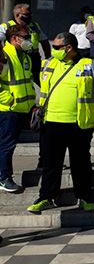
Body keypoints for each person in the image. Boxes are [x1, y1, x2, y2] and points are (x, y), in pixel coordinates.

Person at [27, 32, 94, 214]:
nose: (53, 50)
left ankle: (84, 197)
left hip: (79, 123)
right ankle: (46, 197)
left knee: (80, 163)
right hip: (51, 122)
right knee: (50, 163)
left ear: (69, 48)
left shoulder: (91, 65)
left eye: (57, 47)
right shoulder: (49, 64)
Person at [0, 25, 37, 193]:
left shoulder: (25, 58)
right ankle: (4, 177)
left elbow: (27, 82)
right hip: (8, 109)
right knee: (6, 145)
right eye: (26, 37)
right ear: (15, 38)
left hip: (24, 108)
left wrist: (33, 104)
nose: (29, 40)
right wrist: (8, 99)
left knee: (9, 144)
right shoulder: (4, 56)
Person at [0, 3, 51, 86]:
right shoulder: (6, 26)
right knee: (17, 80)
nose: (29, 16)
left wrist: (48, 57)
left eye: (30, 14)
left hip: (34, 59)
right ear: (17, 15)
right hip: (16, 58)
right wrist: (2, 57)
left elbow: (44, 41)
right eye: (26, 14)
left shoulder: (34, 25)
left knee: (42, 82)